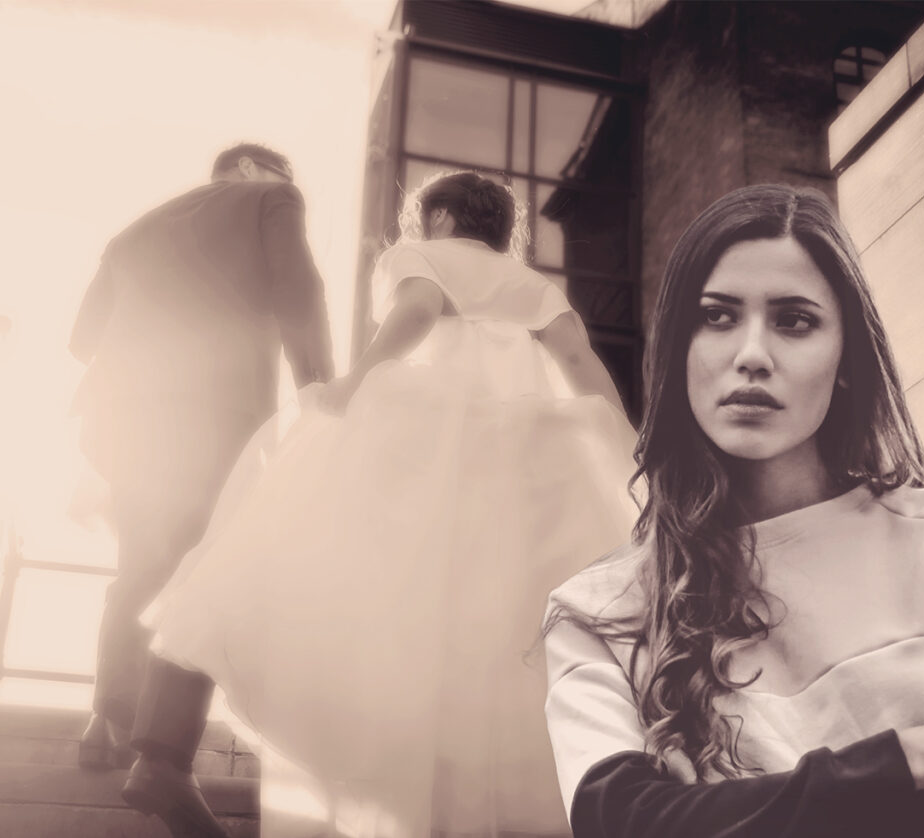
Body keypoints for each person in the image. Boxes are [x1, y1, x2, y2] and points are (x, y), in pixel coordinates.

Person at [542, 184, 924, 838]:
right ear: (681, 348)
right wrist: (909, 758)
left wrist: (734, 812)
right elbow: (622, 822)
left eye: (794, 321)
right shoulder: (597, 609)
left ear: (846, 357)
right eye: (718, 316)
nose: (752, 355)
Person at [131, 171, 640, 837]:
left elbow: (420, 309)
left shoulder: (419, 256)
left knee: (310, 555)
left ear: (439, 218)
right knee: (480, 626)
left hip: (422, 442)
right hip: (515, 455)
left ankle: (165, 745)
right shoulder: (534, 285)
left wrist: (358, 381)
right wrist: (626, 441)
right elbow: (578, 359)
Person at [68, 142, 334, 777]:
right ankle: (160, 752)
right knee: (212, 564)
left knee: (144, 562)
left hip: (126, 423)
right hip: (216, 411)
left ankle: (107, 713)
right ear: (245, 168)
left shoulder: (132, 232)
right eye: (282, 171)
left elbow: (82, 340)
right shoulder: (269, 199)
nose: (290, 185)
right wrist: (318, 392)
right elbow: (299, 289)